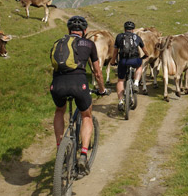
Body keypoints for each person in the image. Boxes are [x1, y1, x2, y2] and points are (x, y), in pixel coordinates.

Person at [50, 16, 107, 171]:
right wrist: (101, 89)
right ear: (85, 31)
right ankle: (83, 155)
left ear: (69, 30)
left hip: (57, 85)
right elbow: (97, 72)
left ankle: (59, 148)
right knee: (86, 115)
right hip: (78, 84)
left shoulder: (58, 43)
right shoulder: (88, 44)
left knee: (59, 111)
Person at [109, 21, 148, 112]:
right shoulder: (137, 37)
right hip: (135, 60)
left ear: (124, 29)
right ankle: (136, 83)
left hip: (123, 61)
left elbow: (115, 52)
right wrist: (146, 55)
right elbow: (145, 50)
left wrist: (113, 61)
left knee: (120, 80)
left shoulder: (119, 37)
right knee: (139, 66)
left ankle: (121, 101)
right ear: (133, 30)